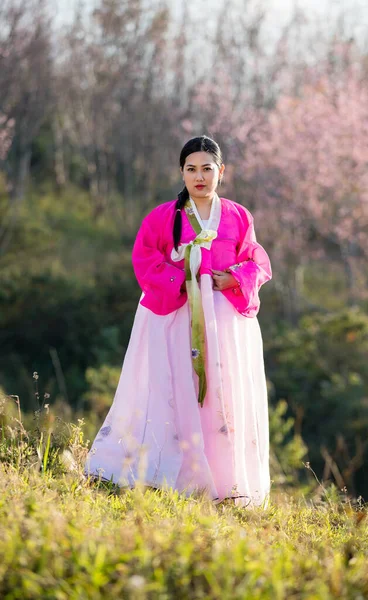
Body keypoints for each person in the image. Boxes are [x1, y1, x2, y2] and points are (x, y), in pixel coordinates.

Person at [85, 135, 272, 507]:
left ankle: (222, 483)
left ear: (221, 171)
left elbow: (256, 260)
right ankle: (166, 472)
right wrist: (183, 278)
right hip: (176, 316)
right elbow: (145, 260)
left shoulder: (238, 216)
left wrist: (234, 278)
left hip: (222, 321)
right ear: (181, 173)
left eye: (207, 169)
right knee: (174, 389)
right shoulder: (162, 217)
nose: (199, 177)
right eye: (191, 169)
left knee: (220, 395)